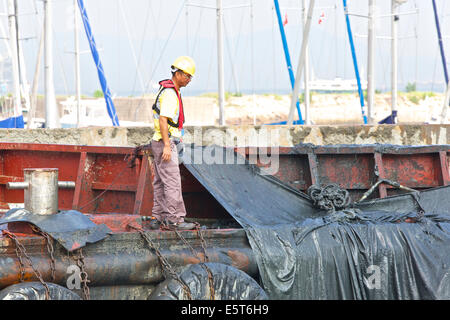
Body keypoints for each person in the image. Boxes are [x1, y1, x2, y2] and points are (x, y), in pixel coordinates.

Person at [149, 56, 196, 230]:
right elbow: (163, 120)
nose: (189, 80)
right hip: (164, 141)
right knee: (172, 181)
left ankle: (158, 217)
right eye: (188, 76)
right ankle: (175, 219)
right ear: (179, 73)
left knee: (161, 181)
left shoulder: (168, 90)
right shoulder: (170, 94)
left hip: (160, 140)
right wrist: (168, 146)